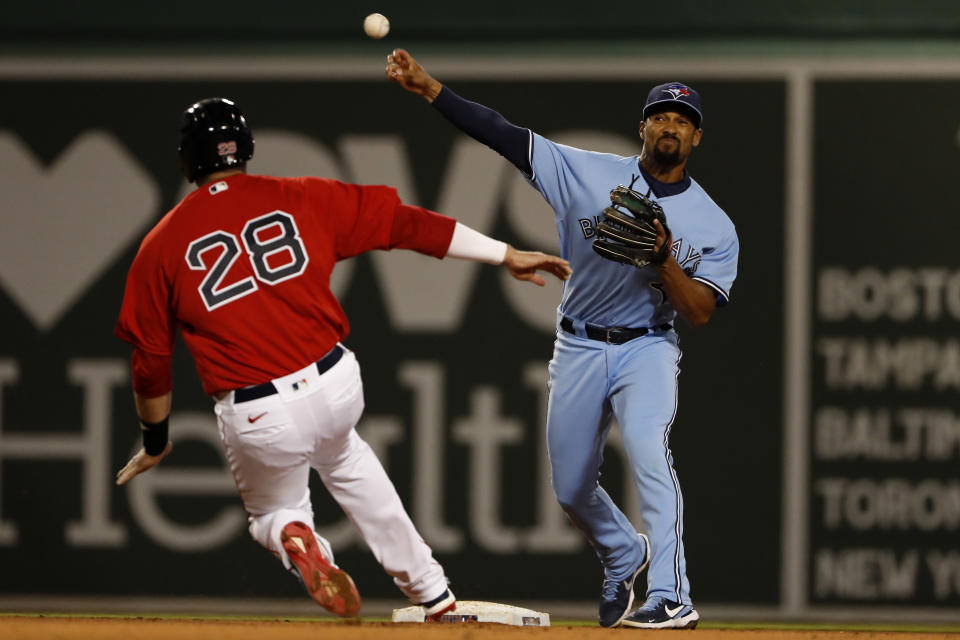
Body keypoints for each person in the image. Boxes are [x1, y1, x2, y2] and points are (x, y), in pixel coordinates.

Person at [113, 97, 572, 620]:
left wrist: (154, 441)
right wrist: (503, 253)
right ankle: (432, 593)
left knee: (275, 511)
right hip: (335, 384)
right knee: (348, 459)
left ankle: (295, 534)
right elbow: (404, 225)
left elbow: (150, 363)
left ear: (186, 158)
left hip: (259, 411)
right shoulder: (302, 196)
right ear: (245, 147)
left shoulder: (162, 245)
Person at [387, 50, 738, 629]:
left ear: (696, 137)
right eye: (661, 115)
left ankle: (671, 593)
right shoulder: (586, 172)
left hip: (648, 345)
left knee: (650, 451)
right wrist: (430, 90)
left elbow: (699, 312)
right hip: (577, 344)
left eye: (683, 119)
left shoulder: (713, 223)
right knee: (572, 487)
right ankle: (624, 552)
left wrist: (664, 261)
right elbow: (500, 135)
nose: (670, 125)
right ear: (643, 127)